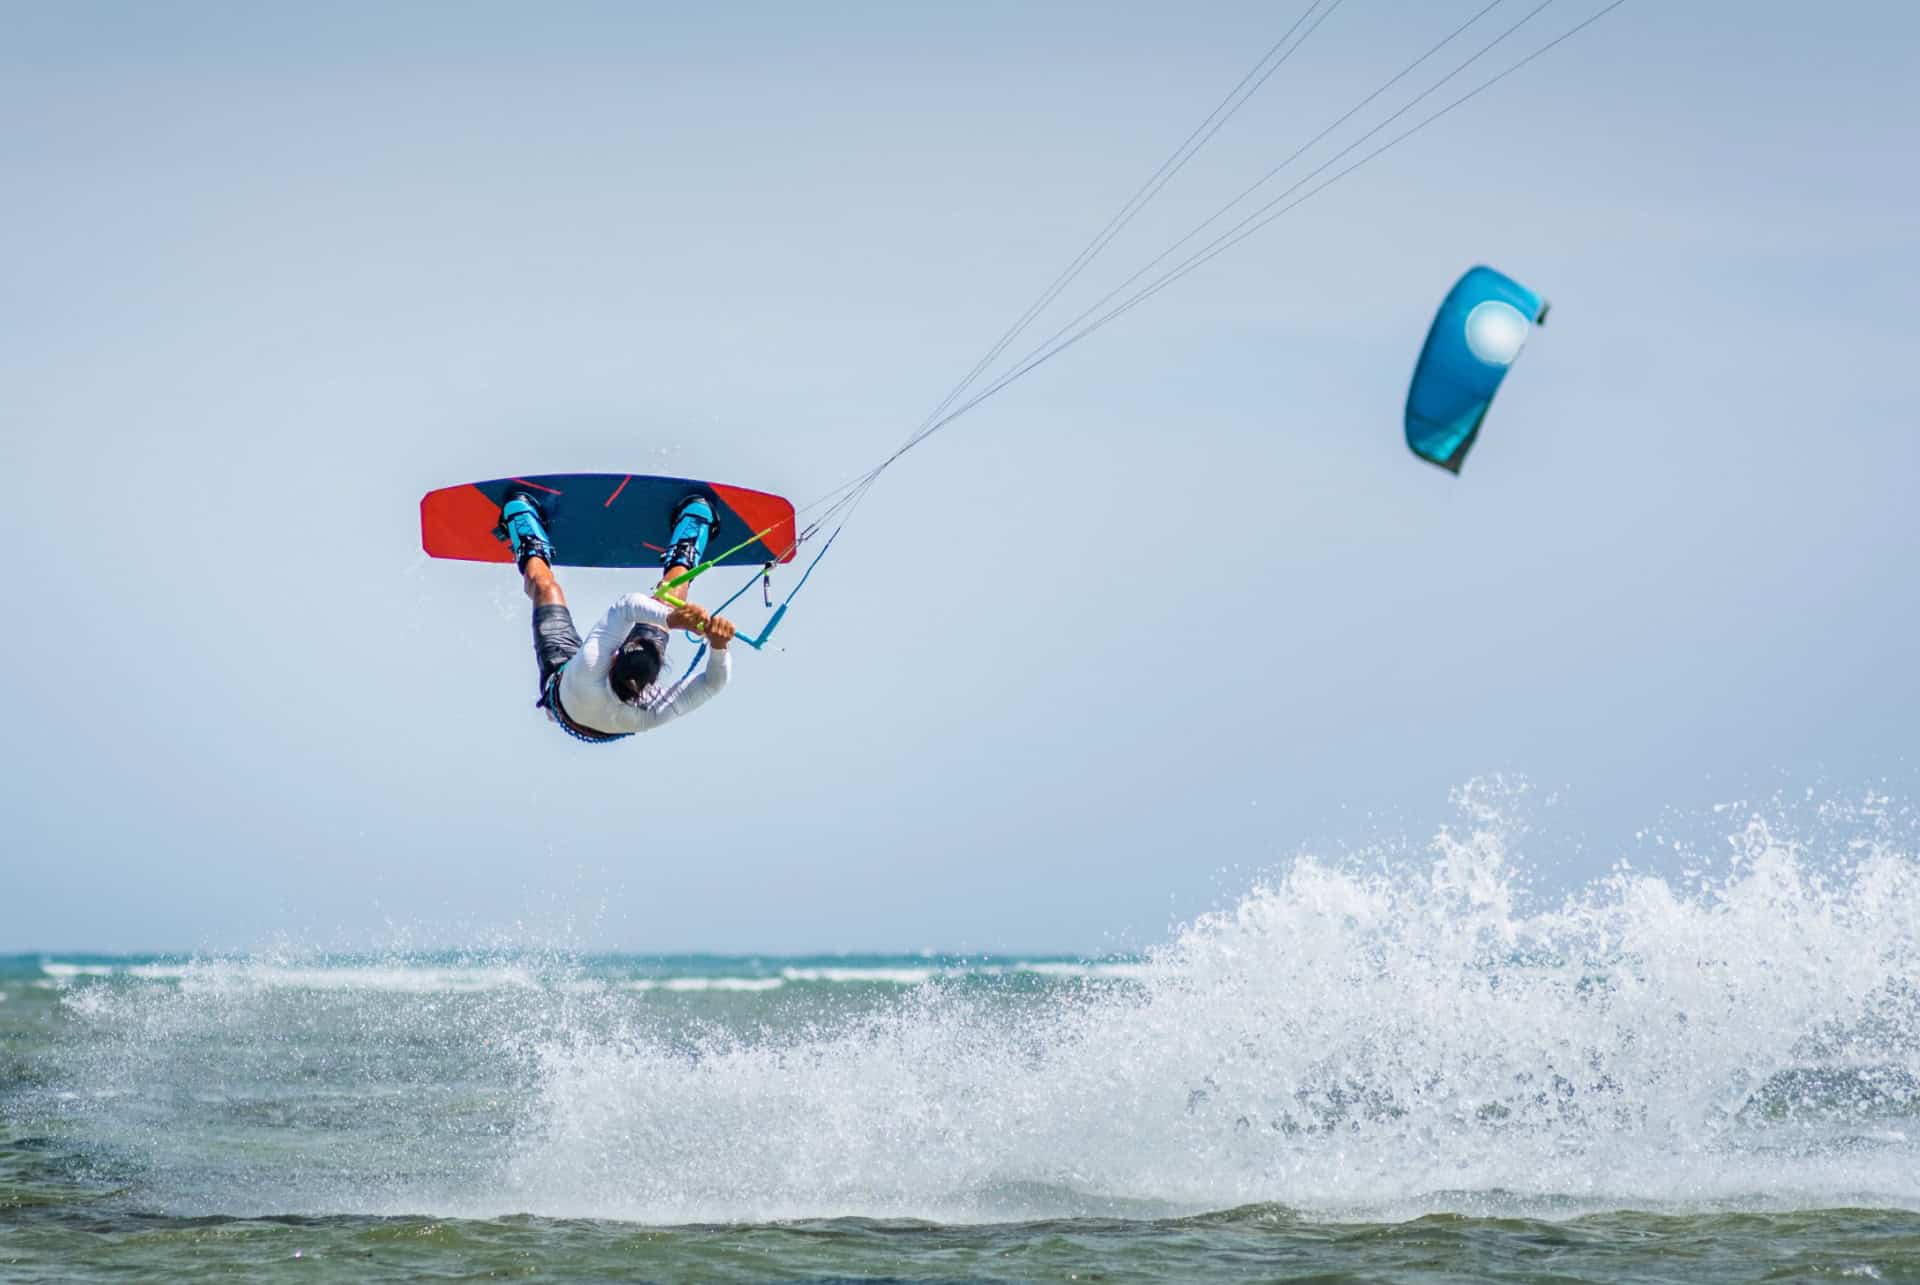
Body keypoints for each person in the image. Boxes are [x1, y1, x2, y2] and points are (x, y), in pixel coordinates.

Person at [496, 492, 738, 742]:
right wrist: (719, 646)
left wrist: (674, 620)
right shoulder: (653, 707)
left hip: (564, 686)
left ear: (614, 658)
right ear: (652, 683)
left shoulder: (592, 669)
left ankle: (529, 542)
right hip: (599, 701)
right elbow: (712, 684)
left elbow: (627, 606)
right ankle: (684, 551)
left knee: (546, 588)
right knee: (666, 600)